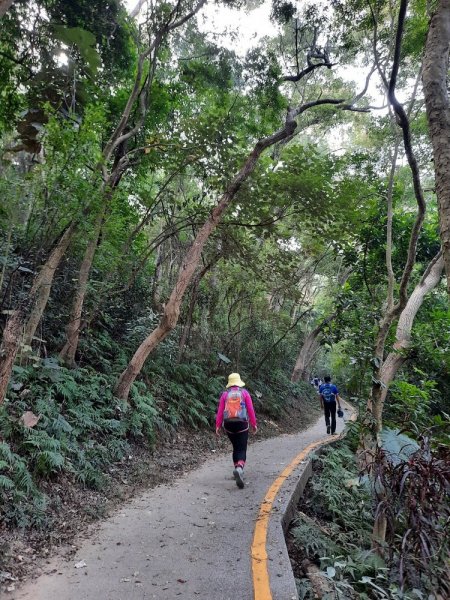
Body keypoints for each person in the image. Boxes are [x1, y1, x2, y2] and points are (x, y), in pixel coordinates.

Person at [215, 373, 257, 489]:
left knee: (235, 448)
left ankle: (236, 470)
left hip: (228, 425)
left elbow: (220, 411)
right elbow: (250, 409)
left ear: (229, 383)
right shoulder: (244, 393)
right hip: (242, 424)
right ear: (239, 382)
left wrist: (218, 425)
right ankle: (239, 468)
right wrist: (254, 424)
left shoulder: (225, 395)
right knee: (241, 448)